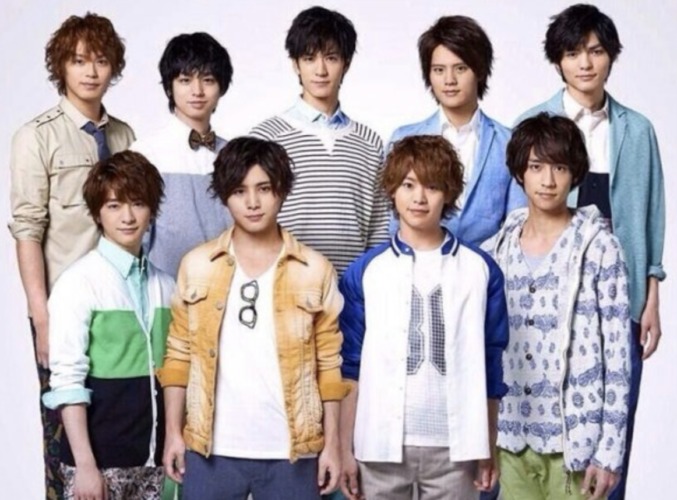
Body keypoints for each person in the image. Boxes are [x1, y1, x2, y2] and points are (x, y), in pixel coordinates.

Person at [516, 5, 665, 498]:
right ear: (557, 60)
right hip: (552, 305)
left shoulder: (637, 130)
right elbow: (519, 220)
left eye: (596, 51)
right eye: (573, 52)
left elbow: (651, 214)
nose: (585, 63)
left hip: (621, 302)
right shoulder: (532, 125)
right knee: (544, 436)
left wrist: (652, 297)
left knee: (613, 434)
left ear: (611, 57)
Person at [158, 137, 350, 499]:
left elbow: (328, 364)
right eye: (239, 191)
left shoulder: (314, 269)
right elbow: (179, 357)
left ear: (282, 190)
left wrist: (332, 445)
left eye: (264, 188)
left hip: (293, 452)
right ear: (224, 195)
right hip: (210, 450)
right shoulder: (197, 265)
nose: (252, 202)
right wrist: (172, 433)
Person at [339, 135, 509, 500]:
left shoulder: (480, 270)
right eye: (408, 185)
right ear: (392, 190)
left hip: (457, 450)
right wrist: (344, 449)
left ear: (448, 193)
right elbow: (350, 368)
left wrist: (487, 444)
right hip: (378, 446)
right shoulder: (365, 271)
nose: (419, 198)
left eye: (432, 186)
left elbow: (491, 365)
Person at [8, 13, 134, 499]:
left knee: (115, 427)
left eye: (100, 60)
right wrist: (41, 316)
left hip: (118, 306)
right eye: (78, 61)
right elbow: (27, 229)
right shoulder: (36, 137)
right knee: (63, 436)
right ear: (60, 66)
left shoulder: (124, 137)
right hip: (62, 307)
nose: (90, 71)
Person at [493, 113, 631, 500]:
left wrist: (609, 452)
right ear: (520, 172)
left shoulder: (600, 248)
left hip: (577, 443)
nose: (548, 181)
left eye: (560, 168)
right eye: (536, 167)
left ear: (575, 174)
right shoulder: (501, 246)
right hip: (511, 438)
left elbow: (618, 356)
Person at [42, 150, 174, 499]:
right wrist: (85, 466)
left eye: (138, 203)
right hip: (98, 466)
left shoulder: (167, 286)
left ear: (152, 210)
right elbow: (67, 379)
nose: (127, 217)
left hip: (155, 463)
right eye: (114, 206)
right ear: (97, 212)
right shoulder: (78, 283)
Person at [250, 6, 389, 275]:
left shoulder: (370, 143)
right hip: (284, 286)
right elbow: (250, 224)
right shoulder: (265, 138)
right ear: (295, 64)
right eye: (309, 58)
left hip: (351, 290)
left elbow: (378, 232)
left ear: (346, 63)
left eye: (331, 58)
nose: (321, 70)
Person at [388, 15, 525, 245]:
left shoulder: (509, 143)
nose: (449, 80)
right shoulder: (403, 138)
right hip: (414, 262)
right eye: (439, 70)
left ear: (479, 71)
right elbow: (393, 223)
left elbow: (516, 227)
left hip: (487, 263)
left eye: (460, 68)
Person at [131, 32, 234, 279]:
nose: (197, 91)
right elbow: (134, 240)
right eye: (185, 80)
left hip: (228, 289)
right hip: (168, 292)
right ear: (170, 87)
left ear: (221, 87)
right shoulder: (146, 154)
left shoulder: (235, 155)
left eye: (208, 80)